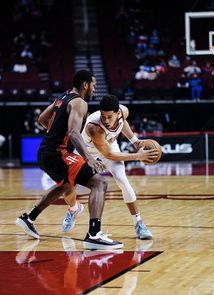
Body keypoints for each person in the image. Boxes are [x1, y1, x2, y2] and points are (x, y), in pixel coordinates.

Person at [15, 70, 123, 250]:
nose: (94, 90)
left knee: (66, 185)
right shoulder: (80, 103)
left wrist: (55, 134)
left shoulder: (62, 97)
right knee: (99, 183)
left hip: (44, 153)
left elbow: (42, 119)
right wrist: (88, 158)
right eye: (94, 85)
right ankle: (94, 235)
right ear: (85, 85)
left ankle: (29, 218)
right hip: (58, 154)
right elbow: (73, 133)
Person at [62, 95, 159, 239]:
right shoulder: (94, 127)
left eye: (109, 117)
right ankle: (74, 209)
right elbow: (109, 155)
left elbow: (122, 123)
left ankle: (139, 223)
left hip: (109, 145)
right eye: (103, 116)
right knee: (67, 187)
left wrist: (135, 141)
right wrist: (138, 156)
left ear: (118, 113)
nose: (106, 121)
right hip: (86, 151)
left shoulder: (123, 112)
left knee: (123, 181)